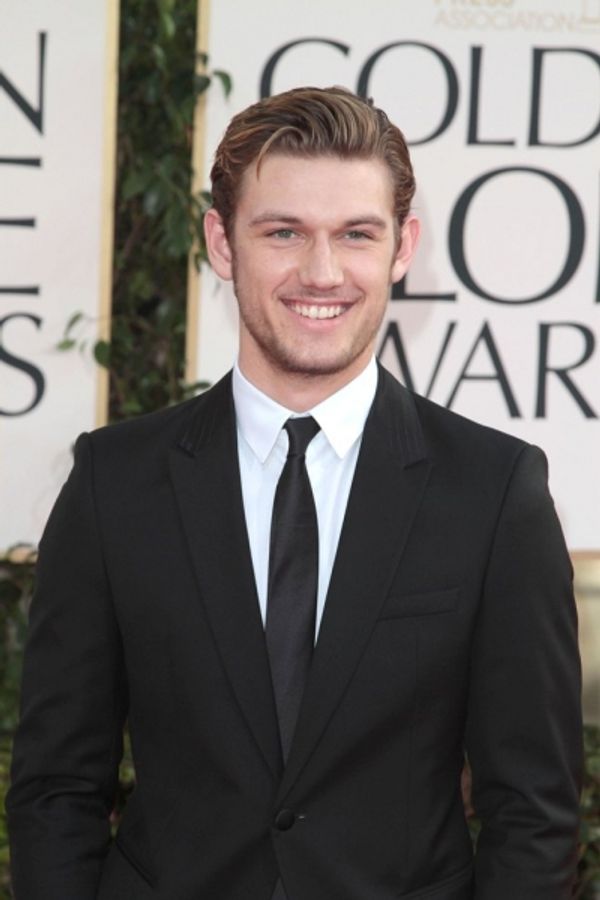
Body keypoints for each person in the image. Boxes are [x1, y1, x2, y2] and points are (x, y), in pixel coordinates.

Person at [7, 86, 582, 900]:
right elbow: (56, 789)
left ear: (403, 246)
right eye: (283, 232)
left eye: (356, 234)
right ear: (222, 242)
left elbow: (534, 809)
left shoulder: (493, 493)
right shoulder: (116, 483)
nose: (323, 272)